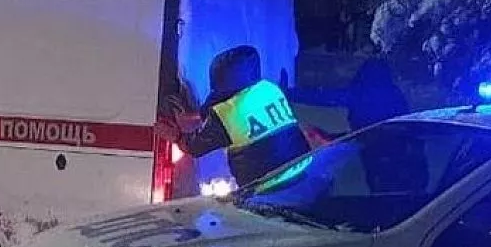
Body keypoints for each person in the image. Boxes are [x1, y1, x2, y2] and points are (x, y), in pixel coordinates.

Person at [155, 45, 310, 187]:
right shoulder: (269, 89)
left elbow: (194, 147)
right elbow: (222, 105)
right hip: (304, 175)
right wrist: (195, 117)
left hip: (268, 190)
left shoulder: (228, 115)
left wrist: (174, 136)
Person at [289, 56, 408, 138]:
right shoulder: (396, 94)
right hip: (399, 148)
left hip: (370, 146)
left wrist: (289, 94)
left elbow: (322, 97)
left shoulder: (360, 93)